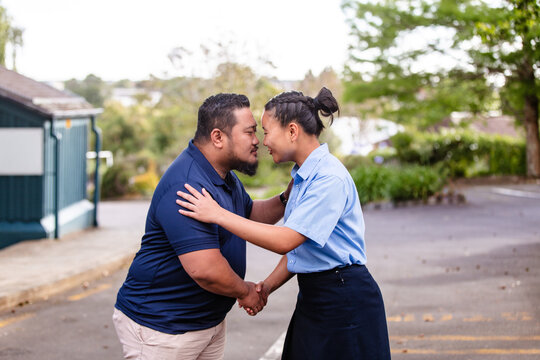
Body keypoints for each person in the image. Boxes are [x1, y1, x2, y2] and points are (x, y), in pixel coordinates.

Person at [176, 88, 391, 359]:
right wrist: (265, 287)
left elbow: (286, 240)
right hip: (316, 295)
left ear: (292, 131)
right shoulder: (302, 177)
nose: (263, 142)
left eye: (266, 132)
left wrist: (218, 214)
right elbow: (301, 252)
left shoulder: (328, 179)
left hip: (345, 298)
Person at [113, 93, 290, 360]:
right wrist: (246, 292)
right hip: (162, 329)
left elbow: (250, 214)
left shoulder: (223, 175)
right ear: (218, 137)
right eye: (250, 132)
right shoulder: (187, 186)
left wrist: (287, 197)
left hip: (205, 324)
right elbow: (205, 269)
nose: (257, 141)